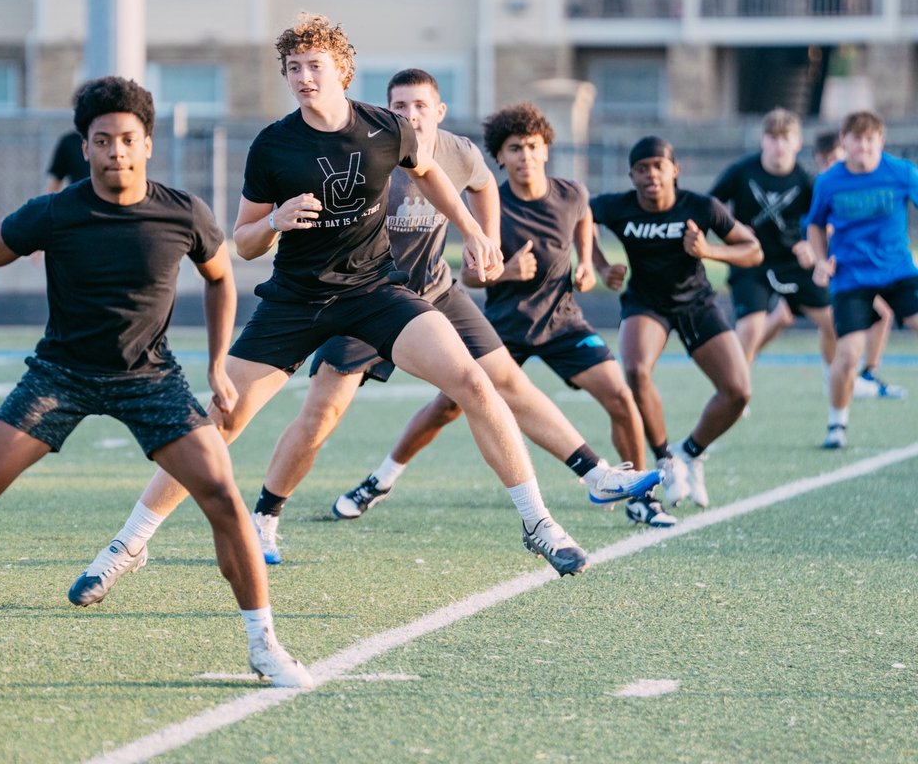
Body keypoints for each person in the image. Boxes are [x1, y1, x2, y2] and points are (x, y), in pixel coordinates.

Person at [69, 13, 589, 611]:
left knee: (473, 380)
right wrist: (274, 222)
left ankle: (537, 523)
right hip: (297, 300)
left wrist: (472, 229)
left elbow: (434, 176)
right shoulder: (274, 144)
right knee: (219, 421)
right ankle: (128, 545)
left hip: (374, 291)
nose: (303, 77)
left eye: (315, 66)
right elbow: (241, 241)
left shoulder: (386, 127)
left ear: (343, 70)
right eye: (293, 68)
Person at [0, 75, 313, 688]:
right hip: (60, 376)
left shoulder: (182, 212)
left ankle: (263, 644)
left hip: (150, 379)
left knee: (223, 496)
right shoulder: (55, 213)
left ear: (146, 144)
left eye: (127, 139)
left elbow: (222, 279)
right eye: (102, 140)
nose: (116, 150)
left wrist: (217, 364)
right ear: (84, 147)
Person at [327, 98, 668, 535]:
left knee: (620, 397)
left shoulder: (572, 193)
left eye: (531, 146)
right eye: (513, 149)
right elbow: (471, 275)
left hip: (563, 323)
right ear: (500, 158)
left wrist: (592, 265)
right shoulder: (492, 203)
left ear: (545, 148)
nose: (524, 156)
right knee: (447, 406)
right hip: (506, 327)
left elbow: (583, 218)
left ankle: (638, 498)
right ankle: (381, 479)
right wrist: (506, 271)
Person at [592, 136, 763, 510]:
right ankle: (665, 459)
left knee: (738, 391)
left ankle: (690, 453)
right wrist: (601, 265)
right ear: (631, 175)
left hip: (697, 302)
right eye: (642, 168)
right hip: (646, 302)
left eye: (658, 166)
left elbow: (753, 249)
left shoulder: (701, 207)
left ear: (675, 171)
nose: (651, 174)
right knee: (635, 371)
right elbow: (579, 216)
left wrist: (708, 251)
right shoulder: (618, 207)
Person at [805, 111, 918, 450]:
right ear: (845, 141)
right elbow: (813, 225)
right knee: (849, 354)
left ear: (880, 141)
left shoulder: (901, 172)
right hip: (851, 277)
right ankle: (836, 424)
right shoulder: (829, 181)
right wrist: (821, 260)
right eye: (857, 139)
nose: (864, 147)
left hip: (898, 272)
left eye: (871, 140)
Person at [709, 109, 837, 383]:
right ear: (763, 140)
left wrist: (812, 247)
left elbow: (828, 222)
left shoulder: (805, 181)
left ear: (797, 142)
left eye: (785, 138)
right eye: (773, 137)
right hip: (749, 260)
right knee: (751, 327)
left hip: (791, 262)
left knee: (833, 322)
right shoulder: (742, 172)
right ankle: (735, 392)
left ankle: (833, 379)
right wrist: (731, 230)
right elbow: (709, 207)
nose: (779, 145)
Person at [810, 130, 904, 400]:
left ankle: (864, 374)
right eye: (826, 159)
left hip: (847, 268)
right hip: (824, 268)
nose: (832, 164)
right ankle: (836, 375)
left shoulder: (851, 182)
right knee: (825, 322)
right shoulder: (824, 184)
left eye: (835, 157)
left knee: (883, 313)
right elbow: (809, 227)